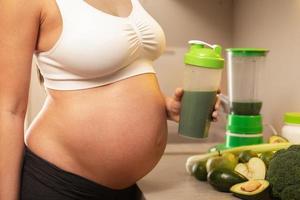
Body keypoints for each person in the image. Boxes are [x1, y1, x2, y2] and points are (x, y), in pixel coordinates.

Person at [0, 0, 220, 199]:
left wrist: (167, 106)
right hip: (60, 185)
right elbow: (8, 111)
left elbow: (128, 72)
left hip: (126, 189)